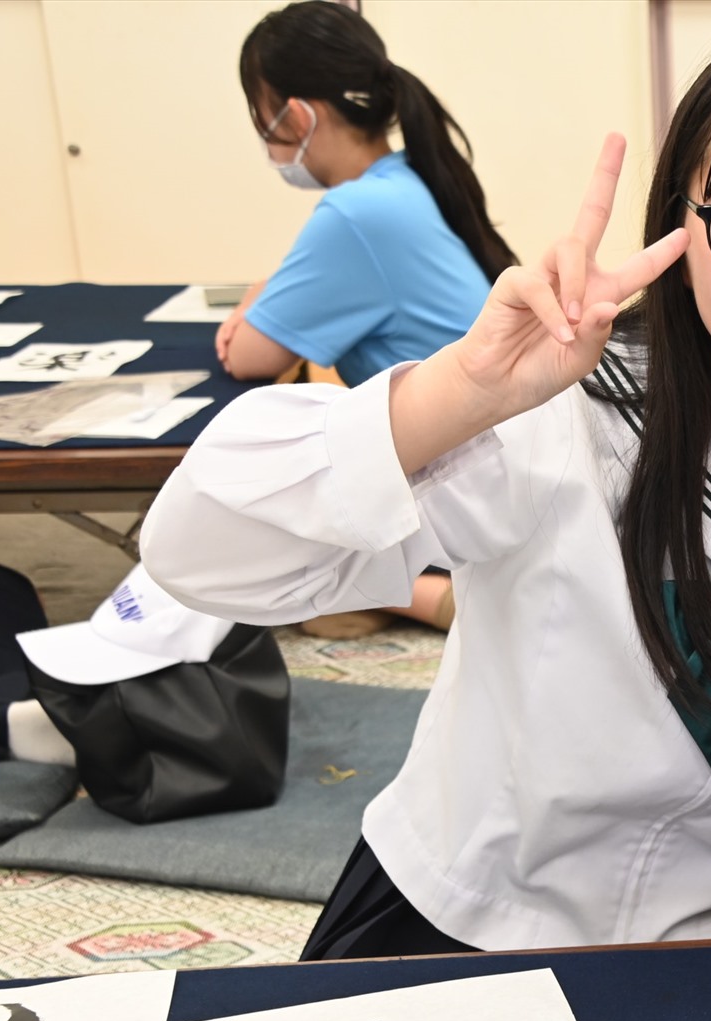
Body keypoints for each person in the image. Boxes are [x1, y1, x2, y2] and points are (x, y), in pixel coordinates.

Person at [141, 21, 711, 957]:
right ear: (682, 226)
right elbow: (194, 551)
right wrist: (459, 391)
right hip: (456, 929)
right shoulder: (566, 419)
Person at [219, 0, 518, 633]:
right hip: (498, 450)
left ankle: (427, 597)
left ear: (295, 115)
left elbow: (250, 356)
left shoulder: (355, 213)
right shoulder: (406, 177)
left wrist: (251, 302)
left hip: (466, 474)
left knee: (244, 527)